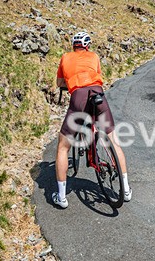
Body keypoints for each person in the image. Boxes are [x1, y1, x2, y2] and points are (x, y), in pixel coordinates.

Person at [53, 32, 131, 208]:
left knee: (63, 147)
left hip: (78, 97)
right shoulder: (94, 56)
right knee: (114, 140)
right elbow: (97, 74)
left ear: (74, 45)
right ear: (87, 46)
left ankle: (61, 196)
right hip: (98, 93)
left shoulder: (65, 57)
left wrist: (71, 82)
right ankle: (125, 190)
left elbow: (59, 82)